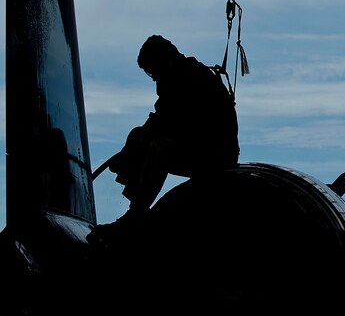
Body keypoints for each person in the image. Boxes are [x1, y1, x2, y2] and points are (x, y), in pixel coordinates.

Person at [87, 35, 240, 244]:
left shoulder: (188, 78)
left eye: (151, 71)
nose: (152, 78)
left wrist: (134, 149)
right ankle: (134, 206)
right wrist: (136, 142)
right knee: (142, 138)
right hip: (205, 149)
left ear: (162, 62)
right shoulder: (182, 76)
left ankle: (136, 214)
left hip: (214, 155)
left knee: (159, 149)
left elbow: (169, 119)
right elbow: (163, 118)